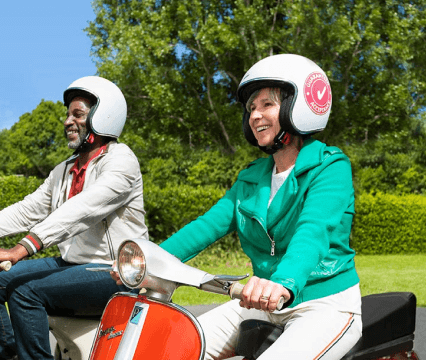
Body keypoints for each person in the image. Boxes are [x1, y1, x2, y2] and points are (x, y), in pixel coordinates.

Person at [115, 54, 362, 359]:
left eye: (267, 105)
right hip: (261, 304)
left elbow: (312, 232)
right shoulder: (251, 178)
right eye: (251, 109)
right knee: (170, 348)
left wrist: (283, 283)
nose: (255, 116)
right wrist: (147, 260)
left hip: (323, 305)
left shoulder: (330, 167)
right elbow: (206, 226)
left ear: (299, 106)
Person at [0, 76, 149, 360]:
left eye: (78, 114)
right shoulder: (65, 169)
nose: (67, 121)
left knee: (25, 292)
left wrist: (20, 249)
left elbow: (81, 210)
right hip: (71, 264)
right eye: (68, 114)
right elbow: (29, 208)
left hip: (115, 272)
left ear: (104, 118)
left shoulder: (121, 161)